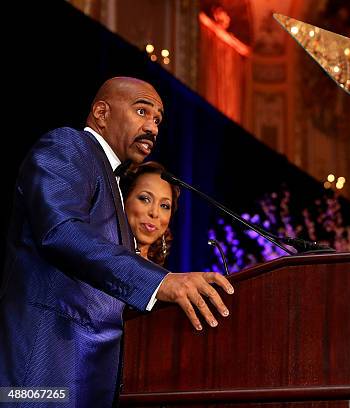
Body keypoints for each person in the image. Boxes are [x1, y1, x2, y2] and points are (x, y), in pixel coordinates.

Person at [0, 77, 233, 407]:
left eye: (158, 119)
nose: (152, 127)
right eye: (141, 111)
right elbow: (60, 231)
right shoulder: (69, 146)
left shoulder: (112, 182)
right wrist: (161, 282)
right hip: (44, 373)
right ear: (101, 112)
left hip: (88, 381)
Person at [121, 161, 179, 266]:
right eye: (145, 199)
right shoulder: (96, 260)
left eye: (164, 206)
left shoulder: (165, 279)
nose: (155, 213)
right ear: (124, 199)